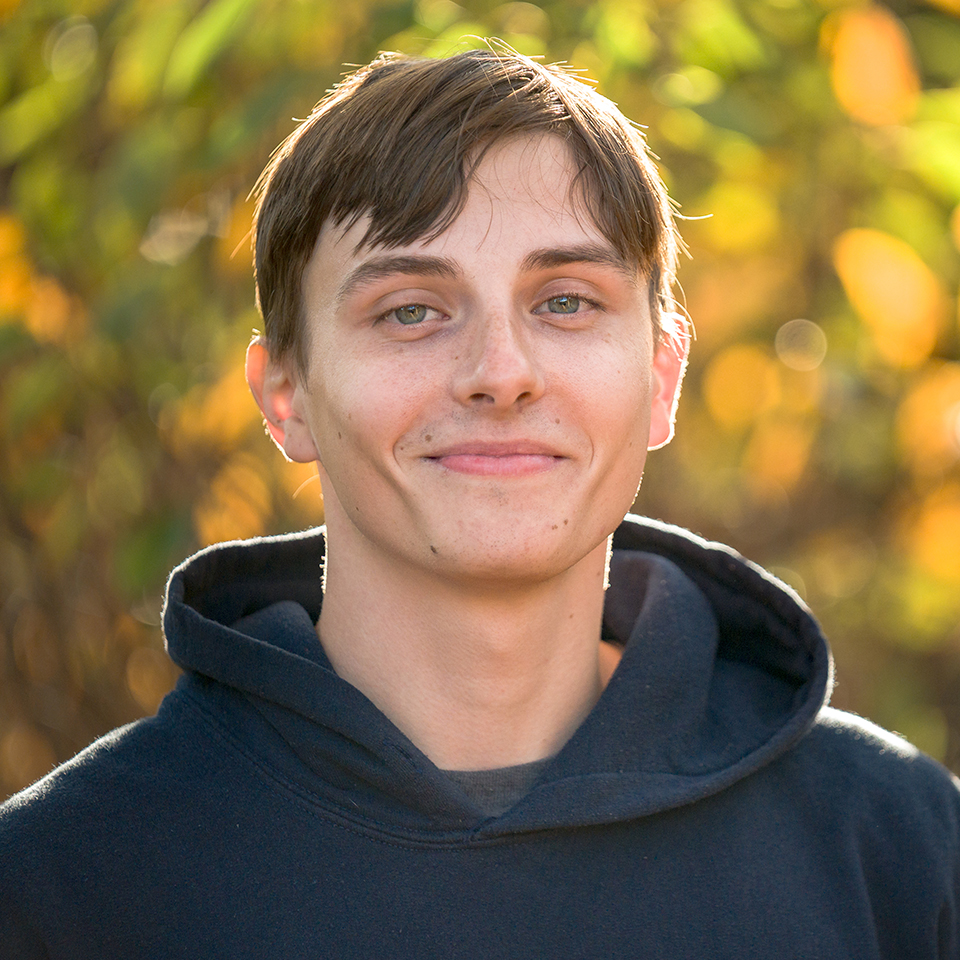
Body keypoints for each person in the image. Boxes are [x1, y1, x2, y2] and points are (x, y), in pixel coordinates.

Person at [1, 48, 958, 959]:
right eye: (410, 309)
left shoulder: (899, 851)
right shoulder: (62, 885)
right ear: (285, 396)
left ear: (663, 378)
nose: (501, 374)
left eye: (567, 301)